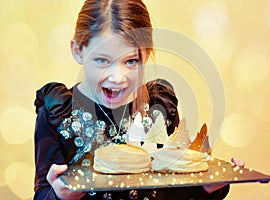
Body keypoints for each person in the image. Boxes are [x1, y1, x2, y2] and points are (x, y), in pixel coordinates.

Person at [34, 0, 243, 199]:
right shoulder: (58, 113)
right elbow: (42, 193)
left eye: (131, 61)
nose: (117, 77)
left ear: (146, 54)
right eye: (102, 60)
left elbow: (176, 191)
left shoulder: (159, 107)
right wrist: (59, 196)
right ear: (78, 51)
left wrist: (207, 189)